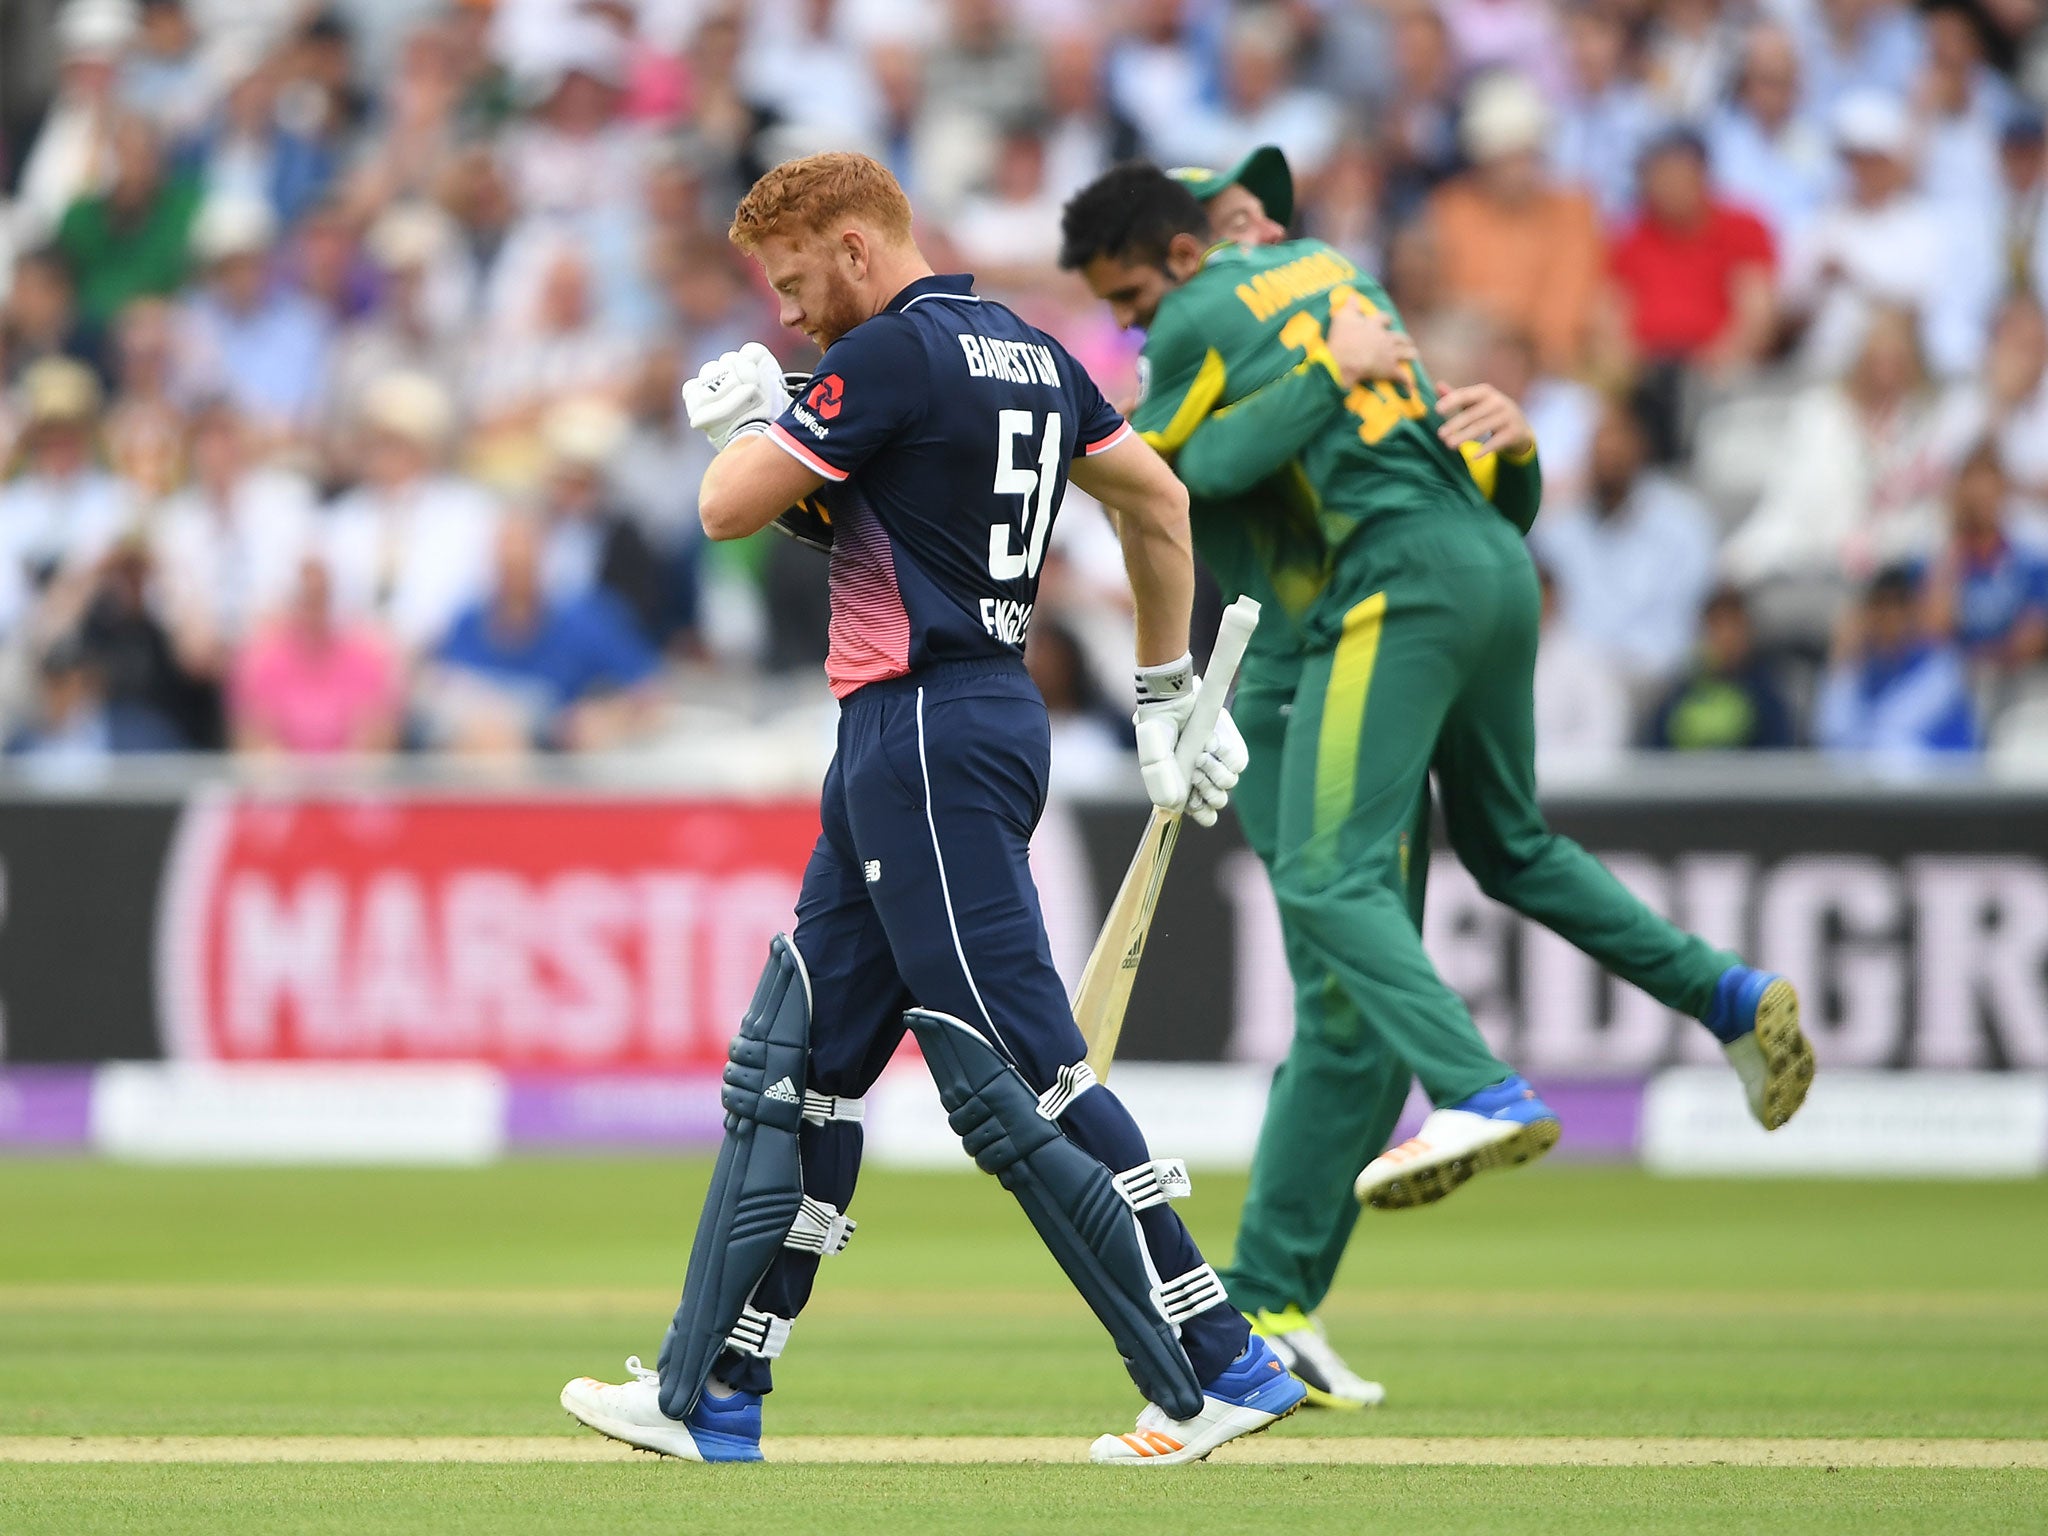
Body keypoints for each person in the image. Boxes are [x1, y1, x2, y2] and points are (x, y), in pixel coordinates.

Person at [560, 152, 1299, 1468]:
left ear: (854, 246)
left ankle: (1215, 1363)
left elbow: (728, 507)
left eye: (795, 283)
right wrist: (1165, 686)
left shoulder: (890, 357)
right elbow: (1157, 501)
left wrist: (757, 427)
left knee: (1014, 1067)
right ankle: (709, 1396)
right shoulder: (1024, 349)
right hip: (936, 724)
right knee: (795, 1068)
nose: (788, 314)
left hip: (923, 729)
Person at [1060, 162, 1812, 1340]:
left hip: (1367, 619)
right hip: (1482, 577)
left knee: (1326, 899)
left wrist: (1321, 382)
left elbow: (1163, 475)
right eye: (1242, 205)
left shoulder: (1224, 310)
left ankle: (1469, 1101)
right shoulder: (1345, 290)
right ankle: (1721, 995)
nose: (1263, 220)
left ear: (1185, 251)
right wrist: (1510, 453)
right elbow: (1475, 496)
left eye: (1132, 296)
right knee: (1499, 859)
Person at [1816, 564, 1979, 757]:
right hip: (1884, 779)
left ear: (1913, 611)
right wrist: (1843, 662)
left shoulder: (1940, 666)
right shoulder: (1864, 668)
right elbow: (1832, 735)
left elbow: (1891, 732)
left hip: (1946, 780)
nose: (1889, 617)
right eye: (1880, 606)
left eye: (1897, 606)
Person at [1917, 443, 2048, 672]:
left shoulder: (2031, 563)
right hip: (1957, 683)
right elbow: (1934, 630)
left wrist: (1980, 659)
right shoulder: (1941, 563)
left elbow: (2031, 640)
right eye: (1972, 490)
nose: (1982, 500)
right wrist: (1953, 542)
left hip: (2016, 684)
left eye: (1989, 488)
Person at [1644, 585, 1796, 751]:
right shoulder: (1681, 692)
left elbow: (1776, 756)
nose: (1726, 638)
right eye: (1717, 628)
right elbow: (1655, 749)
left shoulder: (1766, 694)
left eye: (1734, 628)